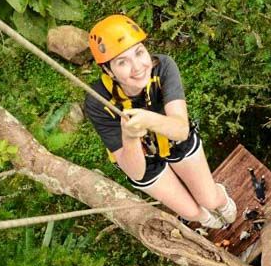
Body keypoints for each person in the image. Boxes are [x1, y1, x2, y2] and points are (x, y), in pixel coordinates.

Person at [84, 14, 236, 229]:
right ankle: (206, 219)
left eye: (139, 52)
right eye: (122, 62)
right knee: (191, 212)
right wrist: (130, 136)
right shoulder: (98, 102)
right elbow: (136, 172)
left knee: (209, 199)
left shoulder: (163, 67)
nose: (137, 67)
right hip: (141, 158)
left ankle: (221, 200)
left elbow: (180, 130)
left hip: (174, 139)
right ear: (108, 71)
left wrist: (148, 119)